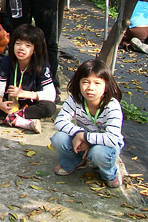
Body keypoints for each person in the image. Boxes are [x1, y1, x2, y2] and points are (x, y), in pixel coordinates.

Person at [51, 59, 123, 188]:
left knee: (99, 153)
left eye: (97, 83)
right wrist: (79, 133)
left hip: (104, 145)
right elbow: (60, 121)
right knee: (58, 138)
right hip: (82, 138)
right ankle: (75, 162)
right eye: (85, 82)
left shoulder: (112, 106)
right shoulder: (76, 99)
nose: (90, 88)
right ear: (78, 83)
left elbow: (112, 138)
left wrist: (85, 138)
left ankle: (110, 174)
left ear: (106, 86)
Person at [0, 24, 55, 133]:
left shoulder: (42, 66)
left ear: (35, 49)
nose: (21, 48)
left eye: (27, 45)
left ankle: (4, 119)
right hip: (8, 104)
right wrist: (0, 104)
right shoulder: (6, 62)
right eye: (18, 43)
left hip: (30, 105)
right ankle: (22, 122)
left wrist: (24, 94)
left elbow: (51, 94)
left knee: (49, 107)